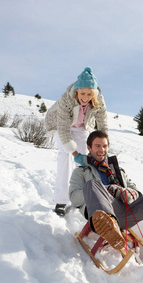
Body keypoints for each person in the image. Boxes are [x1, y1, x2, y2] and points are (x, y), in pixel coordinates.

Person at [45, 67, 109, 216]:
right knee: (65, 157)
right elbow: (62, 128)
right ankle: (61, 201)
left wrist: (104, 147)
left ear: (93, 93)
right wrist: (74, 152)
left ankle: (86, 197)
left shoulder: (99, 101)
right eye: (82, 93)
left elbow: (102, 123)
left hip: (82, 128)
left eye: (89, 94)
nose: (85, 97)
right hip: (62, 126)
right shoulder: (66, 99)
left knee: (85, 162)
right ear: (77, 91)